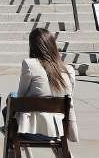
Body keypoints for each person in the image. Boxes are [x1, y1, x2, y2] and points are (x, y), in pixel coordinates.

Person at [14, 28, 79, 156]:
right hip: (58, 130)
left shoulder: (30, 64)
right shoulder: (68, 70)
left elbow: (20, 97)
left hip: (32, 131)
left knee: (12, 100)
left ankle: (20, 150)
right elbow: (69, 101)